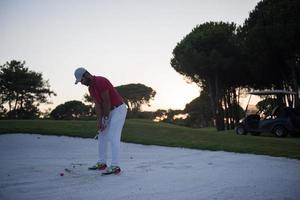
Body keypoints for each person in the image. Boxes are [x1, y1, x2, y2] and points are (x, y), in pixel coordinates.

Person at [74, 67, 127, 174]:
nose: (81, 83)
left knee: (113, 135)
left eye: (82, 80)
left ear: (86, 75)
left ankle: (115, 165)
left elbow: (106, 102)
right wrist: (100, 120)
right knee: (102, 135)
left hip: (118, 109)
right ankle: (102, 163)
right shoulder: (91, 89)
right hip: (109, 110)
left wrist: (106, 118)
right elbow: (98, 105)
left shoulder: (101, 81)